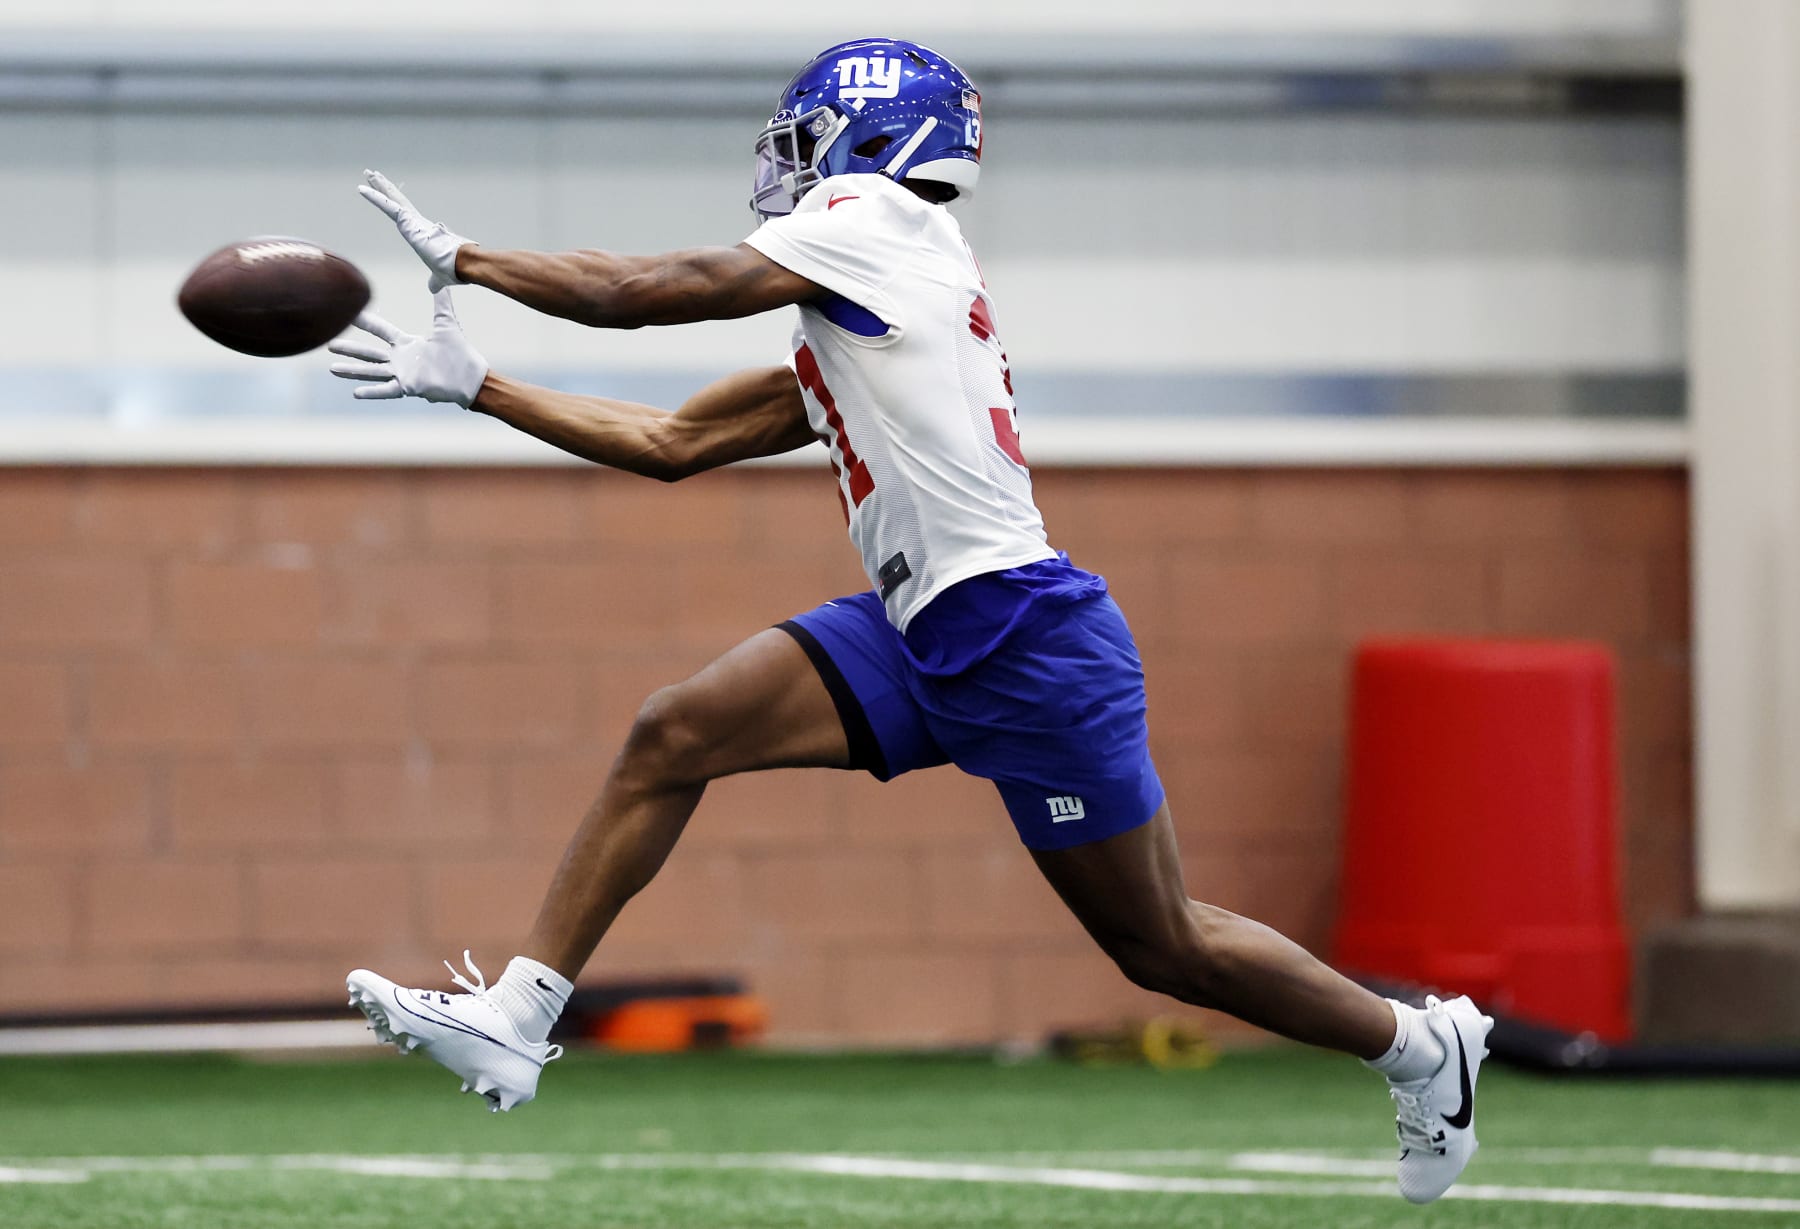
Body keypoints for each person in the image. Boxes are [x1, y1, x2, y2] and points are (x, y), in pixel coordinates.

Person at [330, 37, 1491, 1205]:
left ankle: (1415, 1044)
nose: (789, 169)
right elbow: (671, 445)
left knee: (1161, 945)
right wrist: (478, 387)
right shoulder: (871, 291)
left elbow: (646, 296)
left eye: (806, 138)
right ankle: (516, 1016)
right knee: (675, 730)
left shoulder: (875, 217)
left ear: (871, 137)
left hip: (1026, 640)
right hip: (920, 629)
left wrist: (472, 258)